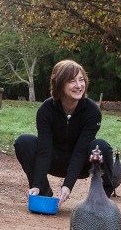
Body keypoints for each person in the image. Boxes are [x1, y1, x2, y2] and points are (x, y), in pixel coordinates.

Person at [14, 59, 115, 205]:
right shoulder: (46, 110)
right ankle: (42, 191)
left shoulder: (92, 111)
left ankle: (101, 200)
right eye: (72, 81)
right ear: (60, 84)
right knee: (24, 142)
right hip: (54, 159)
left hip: (82, 164)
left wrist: (67, 186)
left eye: (81, 80)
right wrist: (36, 183)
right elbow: (44, 150)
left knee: (101, 147)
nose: (79, 86)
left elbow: (81, 150)